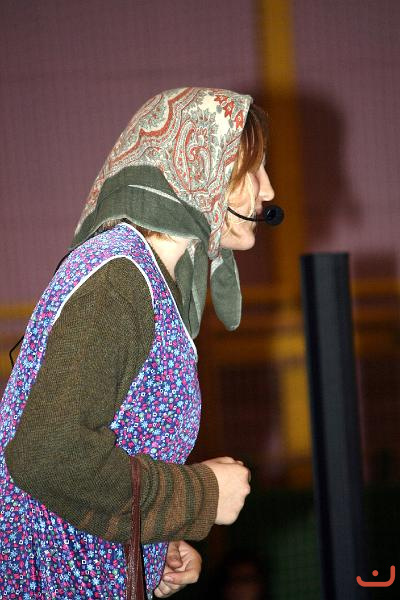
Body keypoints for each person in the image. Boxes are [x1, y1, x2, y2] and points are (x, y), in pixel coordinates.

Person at [0, 87, 275, 599]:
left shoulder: (142, 277)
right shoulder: (120, 280)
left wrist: (151, 540)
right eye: (253, 170)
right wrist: (200, 496)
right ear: (196, 165)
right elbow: (45, 455)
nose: (268, 191)